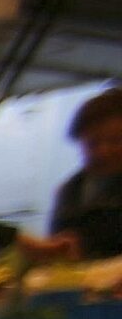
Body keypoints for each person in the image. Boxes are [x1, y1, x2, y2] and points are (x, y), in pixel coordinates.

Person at [40, 88, 122, 261]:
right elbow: (56, 245)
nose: (103, 151)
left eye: (115, 141)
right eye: (93, 143)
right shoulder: (70, 191)